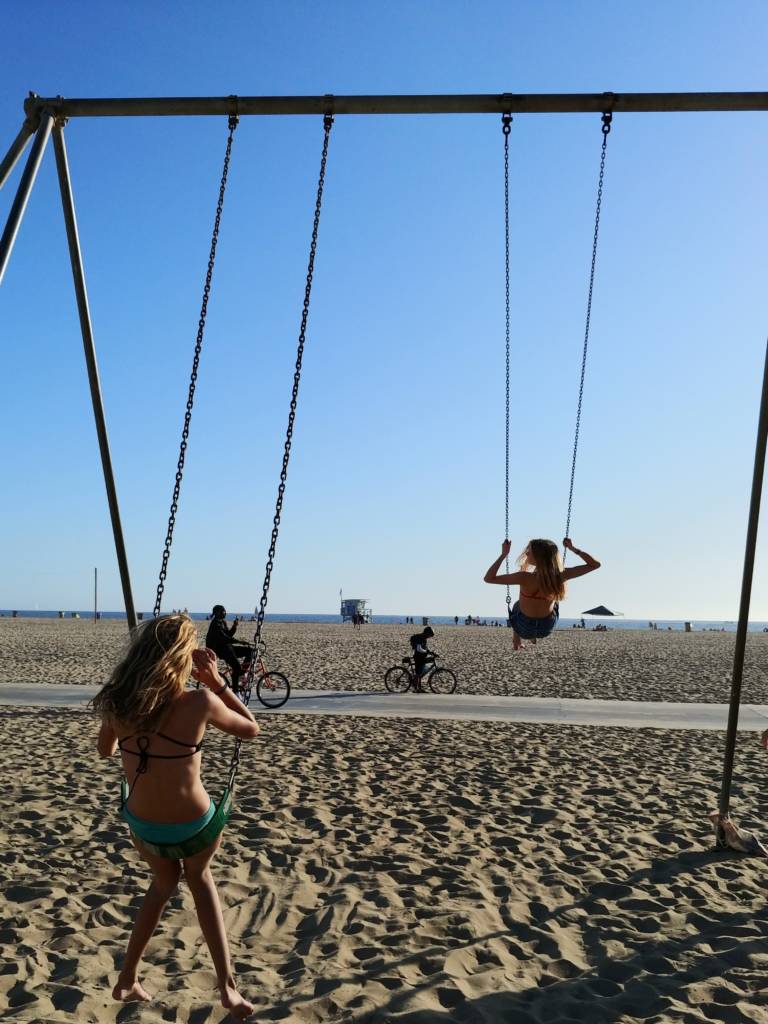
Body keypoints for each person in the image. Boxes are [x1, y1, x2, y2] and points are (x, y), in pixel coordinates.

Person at [92, 614, 259, 1018]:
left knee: (163, 883)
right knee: (200, 880)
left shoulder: (117, 701)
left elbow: (105, 752)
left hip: (143, 826)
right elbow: (250, 729)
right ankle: (227, 988)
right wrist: (216, 681)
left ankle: (128, 977)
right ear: (183, 656)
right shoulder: (200, 701)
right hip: (195, 826)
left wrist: (131, 733)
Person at [484, 537, 601, 651]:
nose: (527, 553)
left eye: (529, 551)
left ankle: (517, 639)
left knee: (517, 605)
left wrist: (503, 554)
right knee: (555, 603)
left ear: (538, 556)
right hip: (546, 628)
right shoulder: (561, 576)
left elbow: (488, 578)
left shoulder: (524, 577)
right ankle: (526, 636)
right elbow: (595, 565)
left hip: (524, 628)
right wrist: (573, 548)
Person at [205, 605, 252, 695]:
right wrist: (239, 641)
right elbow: (224, 637)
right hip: (221, 650)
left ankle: (241, 674)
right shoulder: (215, 624)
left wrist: (234, 626)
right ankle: (236, 692)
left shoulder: (222, 622)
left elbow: (229, 635)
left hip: (228, 647)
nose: (225, 613)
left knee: (250, 651)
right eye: (223, 611)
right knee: (236, 667)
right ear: (218, 613)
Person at [409, 625, 435, 691]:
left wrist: (431, 652)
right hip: (418, 657)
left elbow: (425, 648)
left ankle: (419, 688)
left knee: (421, 673)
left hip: (422, 657)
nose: (430, 637)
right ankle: (415, 688)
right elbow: (419, 649)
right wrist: (426, 652)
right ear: (427, 633)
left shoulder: (424, 639)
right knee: (418, 673)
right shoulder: (420, 638)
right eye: (430, 635)